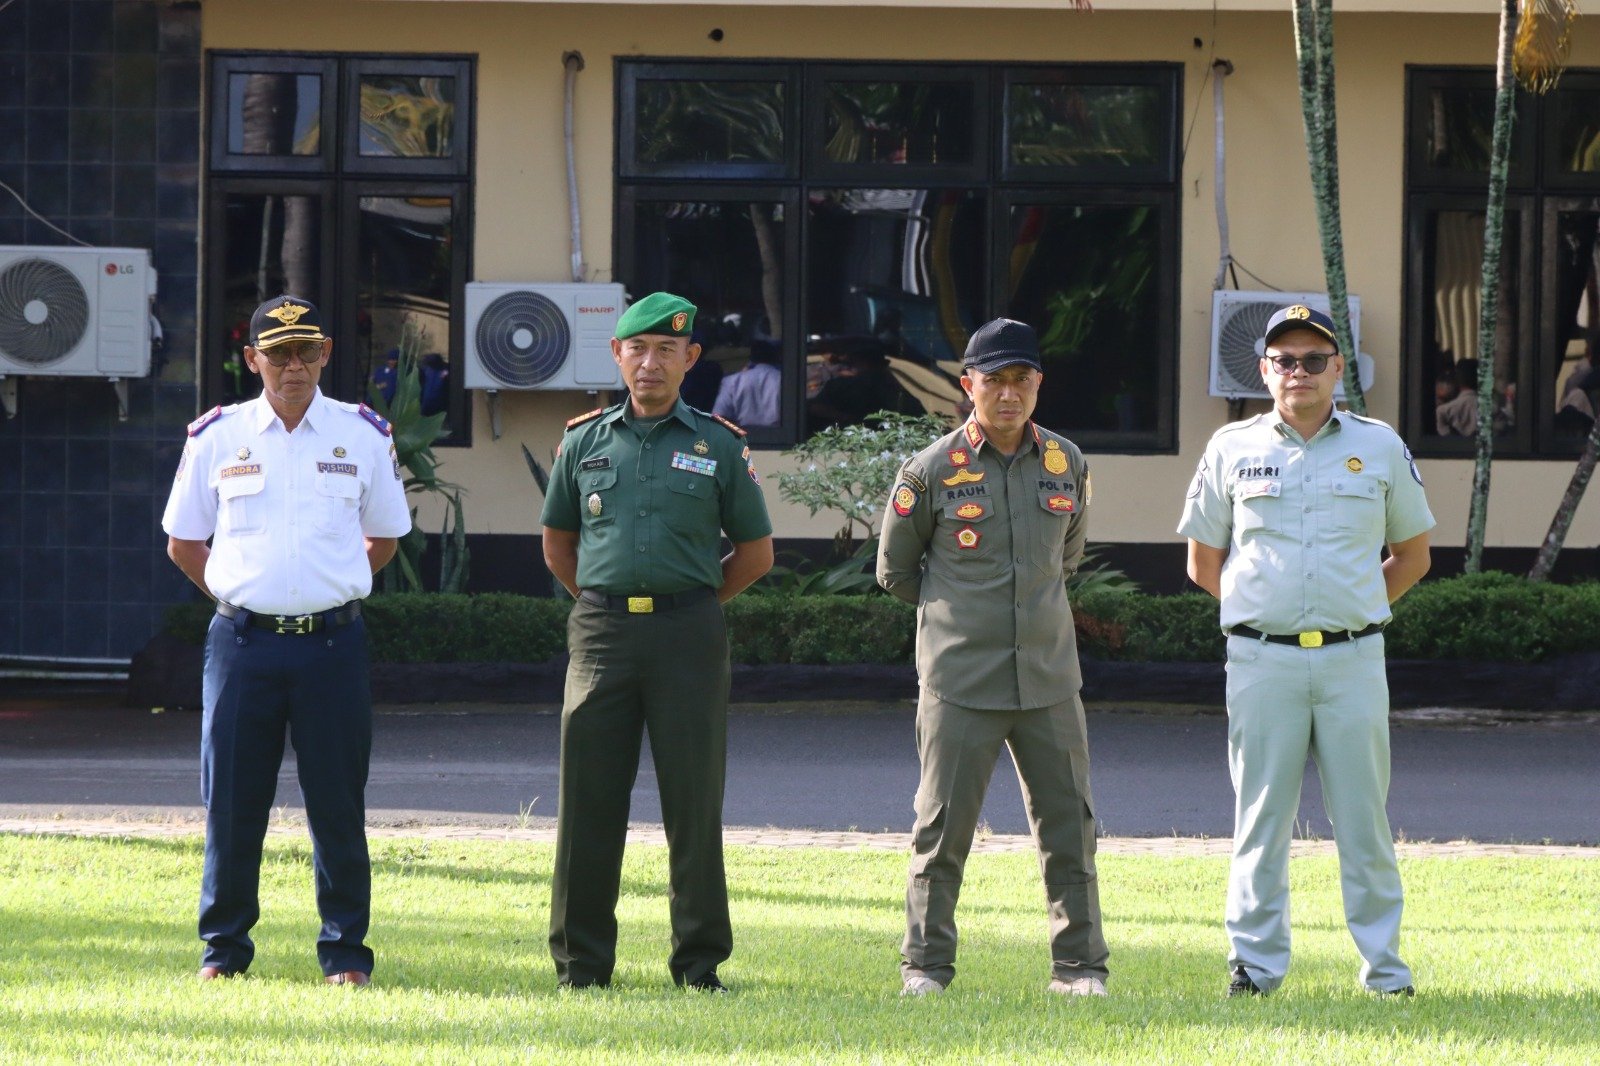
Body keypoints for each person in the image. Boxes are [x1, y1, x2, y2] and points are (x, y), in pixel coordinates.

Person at [1177, 303, 1434, 999]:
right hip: (1263, 662)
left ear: (1338, 369)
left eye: (1313, 359)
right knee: (1260, 818)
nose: (1299, 372)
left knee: (1364, 819)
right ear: (1263, 370)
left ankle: (1386, 974)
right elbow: (1205, 562)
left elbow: (1412, 556)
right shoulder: (1230, 448)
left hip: (1354, 660)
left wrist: (1356, 605)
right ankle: (1255, 970)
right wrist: (1264, 609)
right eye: (1284, 360)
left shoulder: (1379, 446)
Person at [162, 294, 412, 985]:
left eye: (306, 352)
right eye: (278, 354)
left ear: (325, 355)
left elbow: (384, 536)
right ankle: (223, 951)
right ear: (253, 361)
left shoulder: (362, 435)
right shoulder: (216, 436)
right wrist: (242, 595)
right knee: (234, 803)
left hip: (333, 647)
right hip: (242, 646)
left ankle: (344, 955)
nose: (293, 366)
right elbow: (184, 542)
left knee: (338, 802)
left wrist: (332, 584)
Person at [540, 291, 775, 992]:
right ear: (617, 355)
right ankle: (582, 966)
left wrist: (694, 601)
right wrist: (604, 603)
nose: (650, 363)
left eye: (666, 350)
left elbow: (756, 554)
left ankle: (698, 964)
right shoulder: (582, 441)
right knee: (588, 801)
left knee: (693, 802)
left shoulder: (719, 444)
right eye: (636, 349)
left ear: (689, 359)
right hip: (604, 632)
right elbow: (558, 544)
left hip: (687, 634)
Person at [876, 317, 1109, 998]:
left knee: (1071, 830)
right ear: (967, 385)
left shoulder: (1067, 462)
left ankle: (1079, 968)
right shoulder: (930, 470)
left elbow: (1065, 559)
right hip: (960, 681)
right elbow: (897, 572)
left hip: (1047, 679)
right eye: (994, 380)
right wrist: (962, 618)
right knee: (941, 832)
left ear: (1037, 385)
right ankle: (925, 967)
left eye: (1021, 380)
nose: (1008, 394)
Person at [713, 339, 782, 427]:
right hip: (779, 436)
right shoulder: (783, 379)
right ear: (775, 357)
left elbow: (719, 416)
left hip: (742, 436)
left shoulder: (732, 381)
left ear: (750, 358)